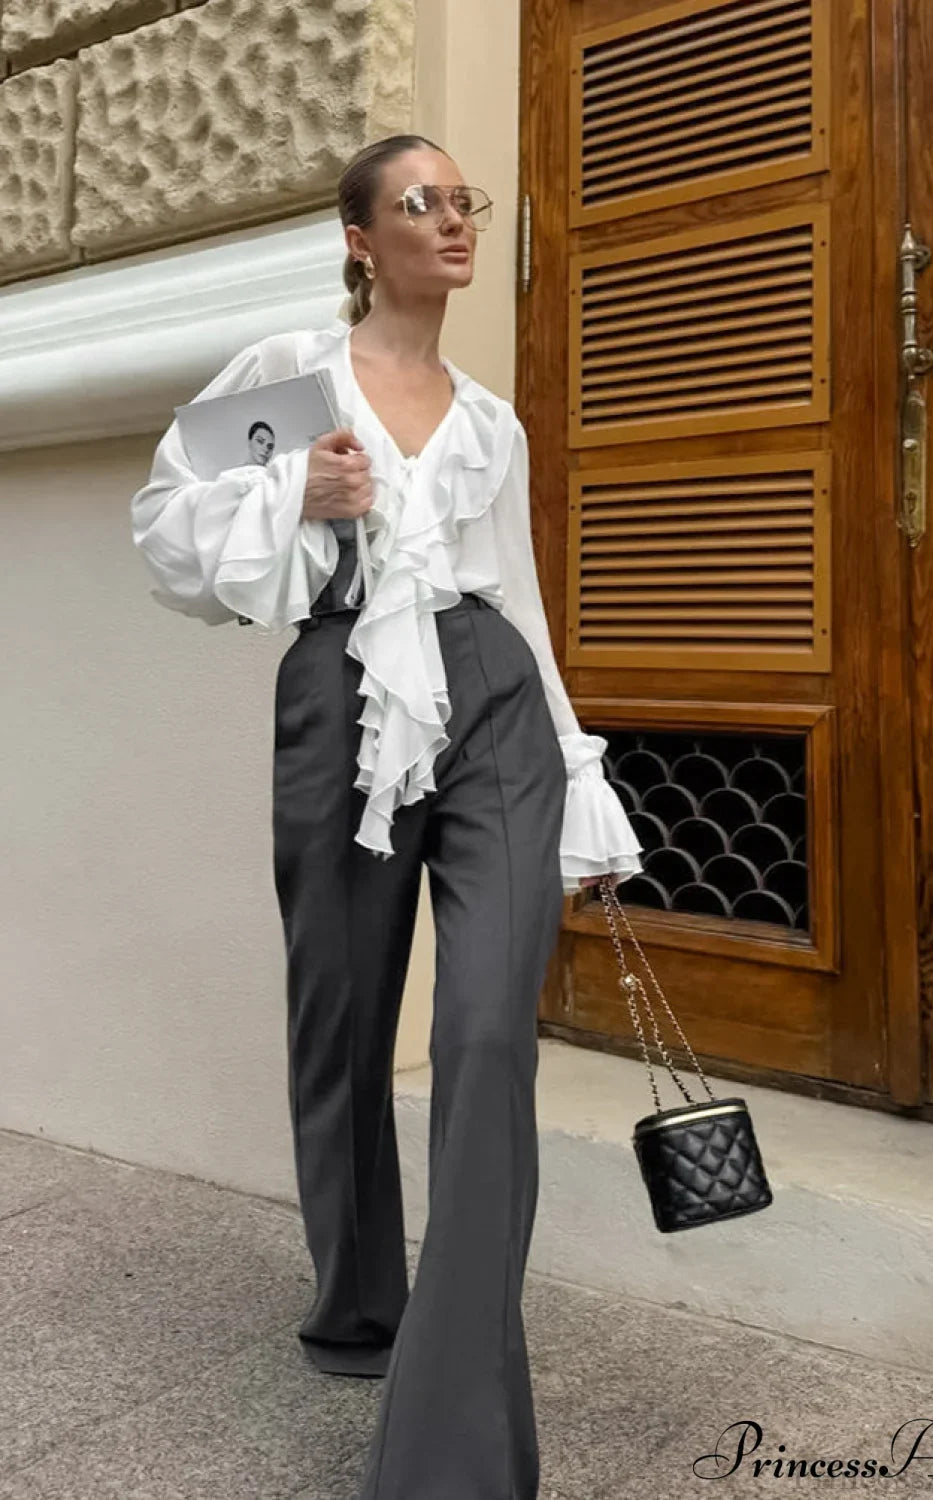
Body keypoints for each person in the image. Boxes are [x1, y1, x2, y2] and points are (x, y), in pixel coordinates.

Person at [130, 133, 643, 1500]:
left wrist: (580, 783)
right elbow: (163, 528)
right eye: (421, 203)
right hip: (343, 684)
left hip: (493, 702)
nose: (453, 222)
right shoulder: (295, 387)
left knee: (483, 1035)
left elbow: (523, 598)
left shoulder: (490, 421)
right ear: (361, 238)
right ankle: (360, 1307)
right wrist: (302, 487)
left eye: (462, 201)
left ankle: (454, 1433)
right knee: (345, 1022)